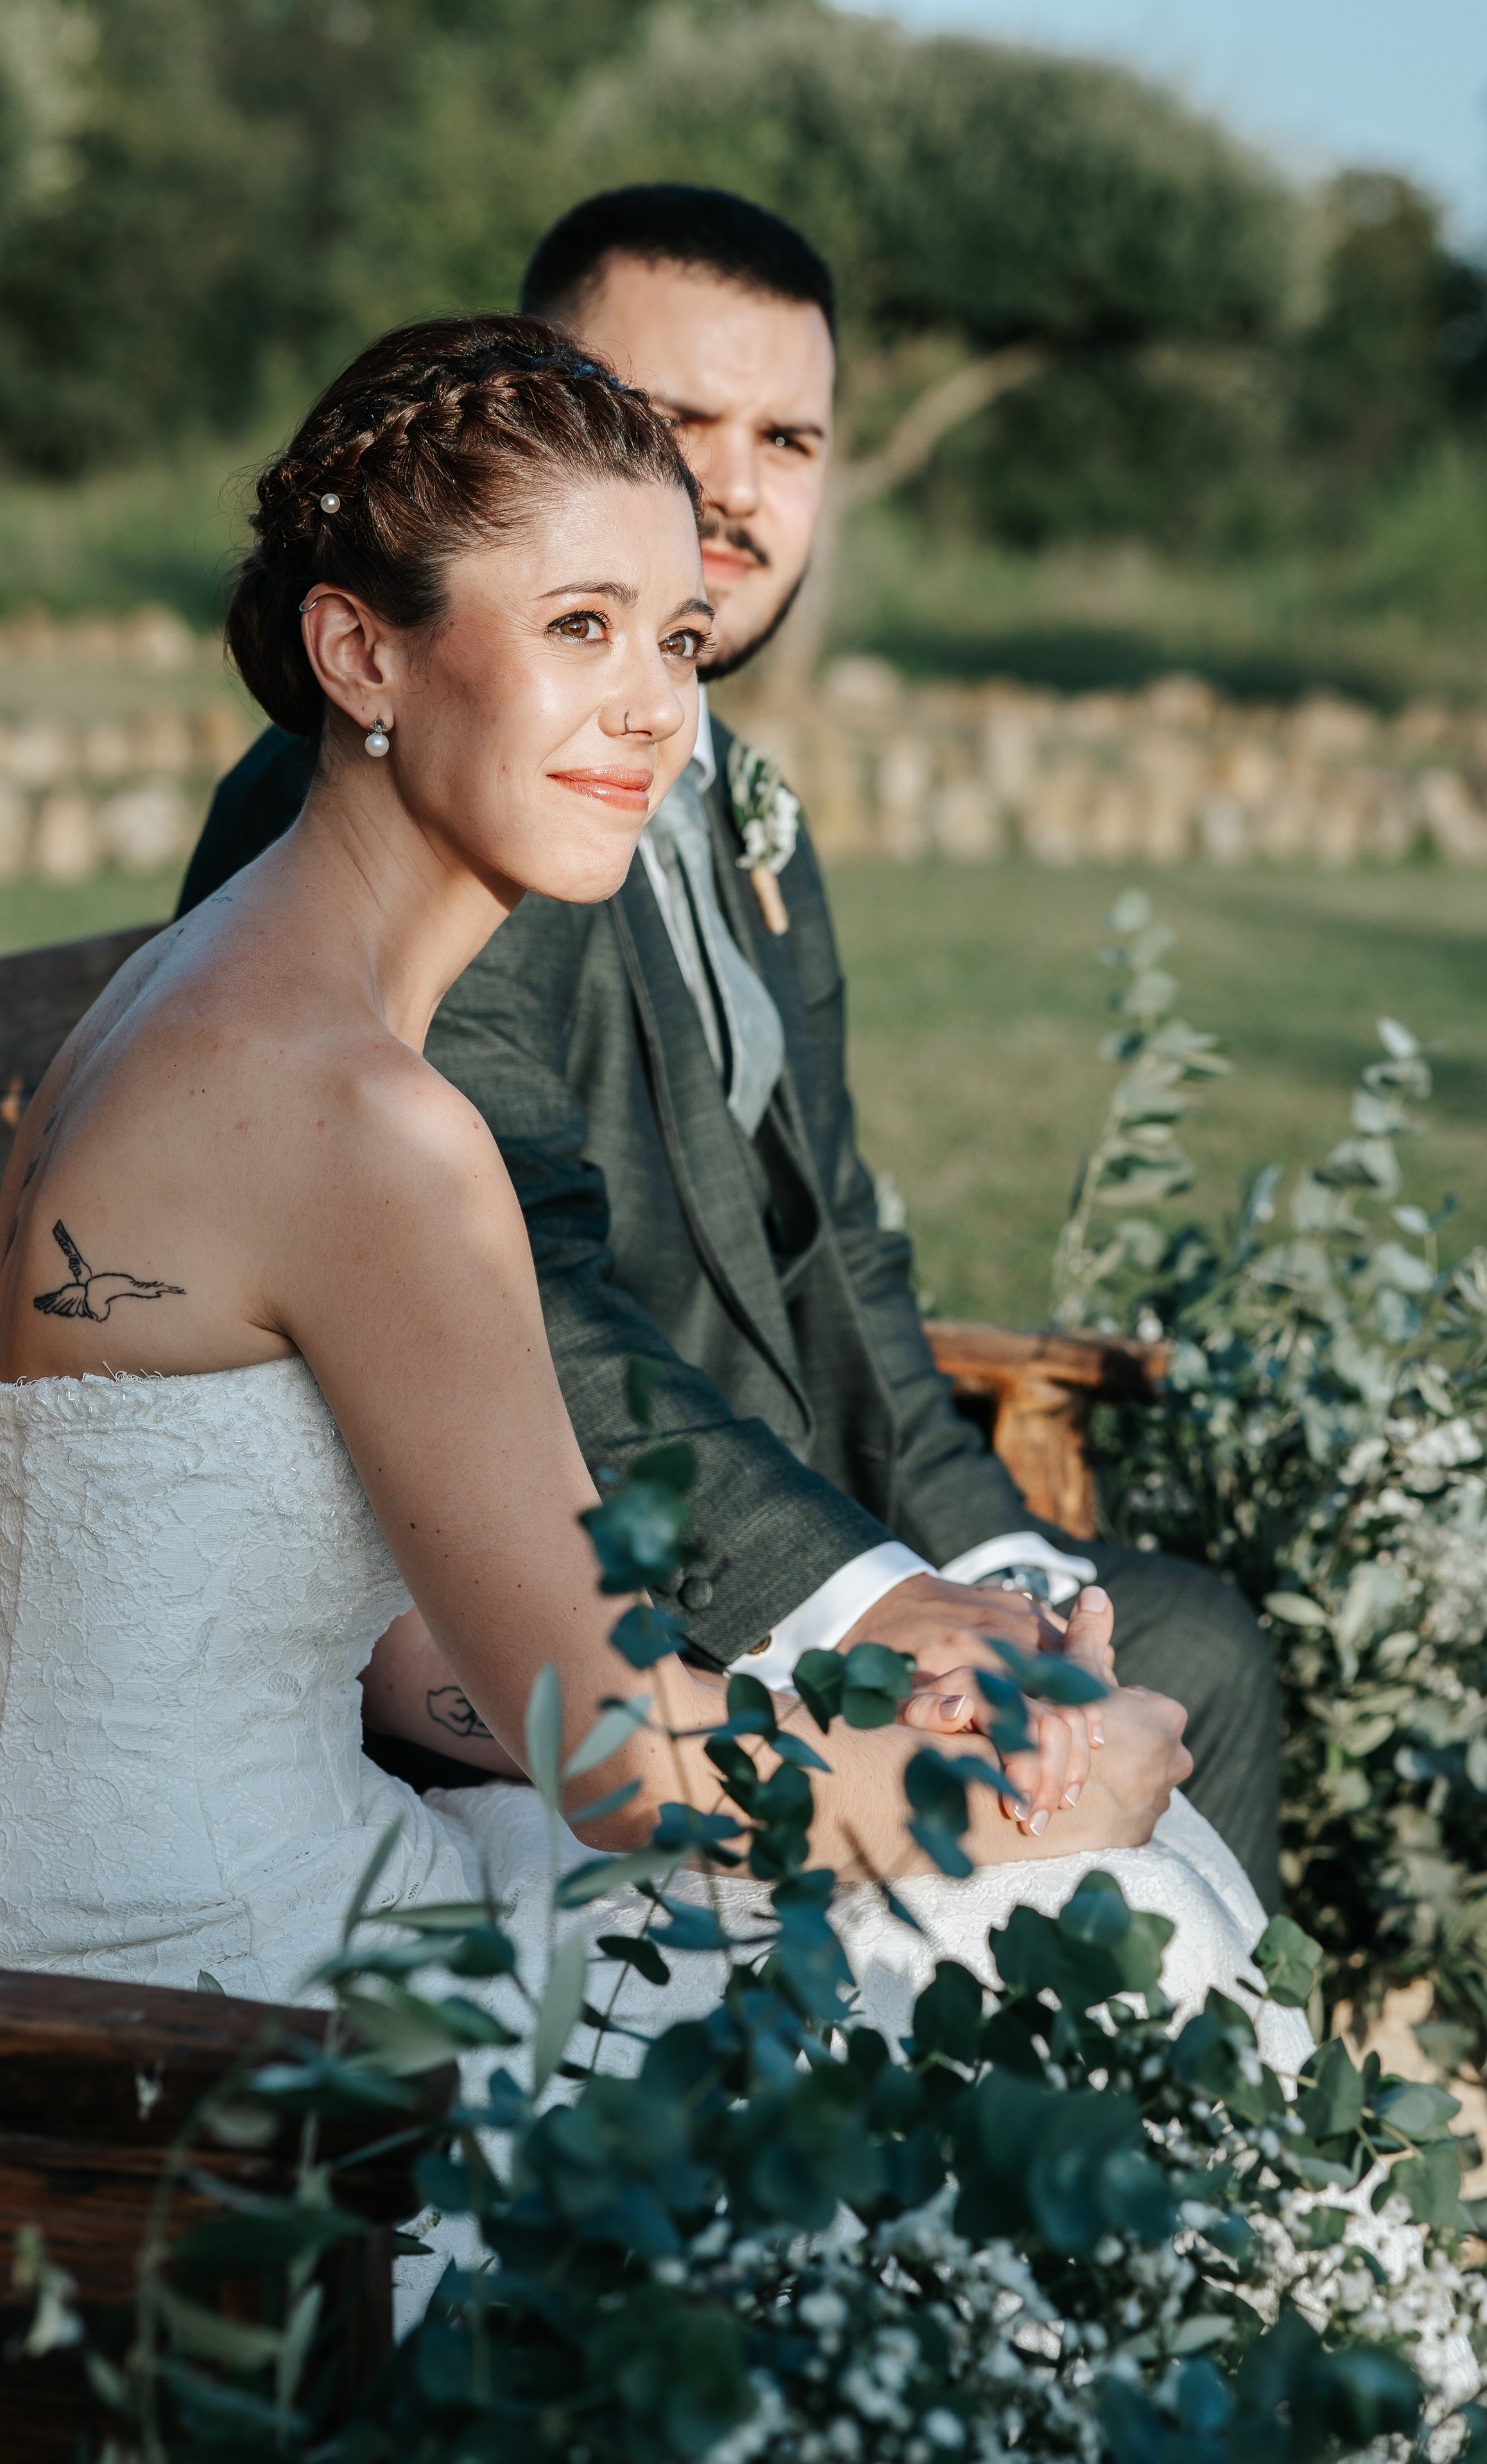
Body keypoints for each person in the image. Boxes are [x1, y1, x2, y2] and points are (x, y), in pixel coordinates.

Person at [0, 320, 1305, 2101]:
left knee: (1000, 1921)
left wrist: (883, 1722)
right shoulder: (360, 1118)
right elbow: (621, 1763)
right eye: (578, 630)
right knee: (1094, 1912)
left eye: (678, 637)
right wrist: (1031, 1784)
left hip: (100, 1907)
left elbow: (399, 1642)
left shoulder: (223, 994)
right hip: (175, 2015)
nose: (653, 706)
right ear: (359, 651)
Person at [179, 186, 1283, 1910]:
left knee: (1174, 1652)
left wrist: (990, 1561)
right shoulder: (428, 817)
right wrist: (861, 1603)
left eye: (789, 437)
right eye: (672, 421)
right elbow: (509, 1296)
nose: (735, 487)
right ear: (535, 413)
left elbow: (838, 1242)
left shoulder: (708, 791)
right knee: (1082, 1783)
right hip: (549, 1605)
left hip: (678, 1589)